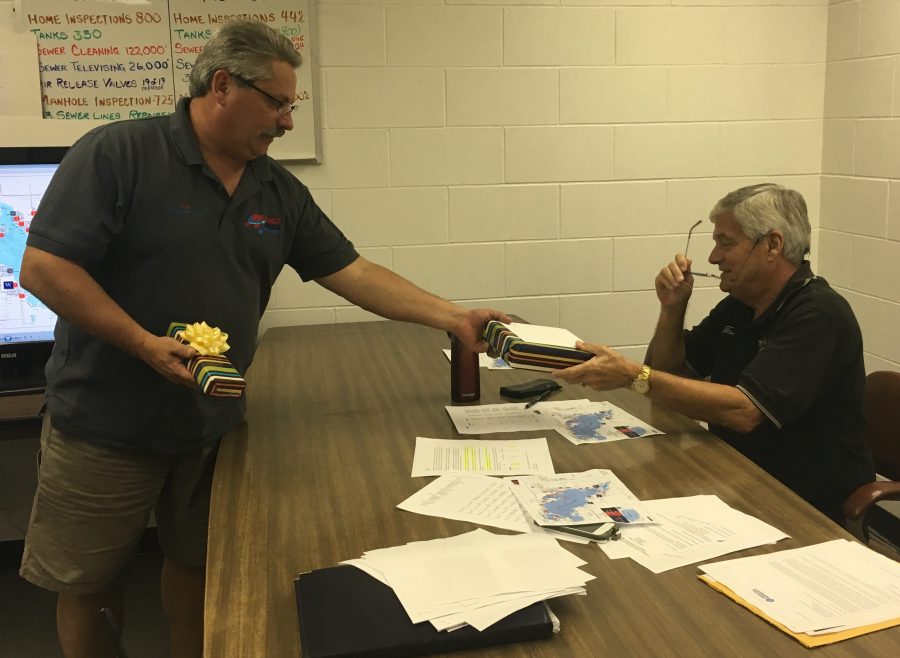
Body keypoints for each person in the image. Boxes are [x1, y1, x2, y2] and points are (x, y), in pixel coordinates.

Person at [18, 19, 507, 658]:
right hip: (105, 424)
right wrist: (142, 343)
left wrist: (453, 317)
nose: (286, 122)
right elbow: (45, 268)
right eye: (277, 103)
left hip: (211, 422)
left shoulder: (275, 189)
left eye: (291, 106)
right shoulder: (118, 154)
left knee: (196, 565)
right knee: (88, 581)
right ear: (222, 85)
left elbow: (352, 272)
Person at [555, 183, 875, 523]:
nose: (713, 257)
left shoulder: (818, 315)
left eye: (726, 242)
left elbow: (745, 412)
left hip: (801, 502)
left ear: (773, 245)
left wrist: (632, 376)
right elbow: (668, 373)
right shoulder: (739, 305)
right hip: (735, 474)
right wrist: (672, 309)